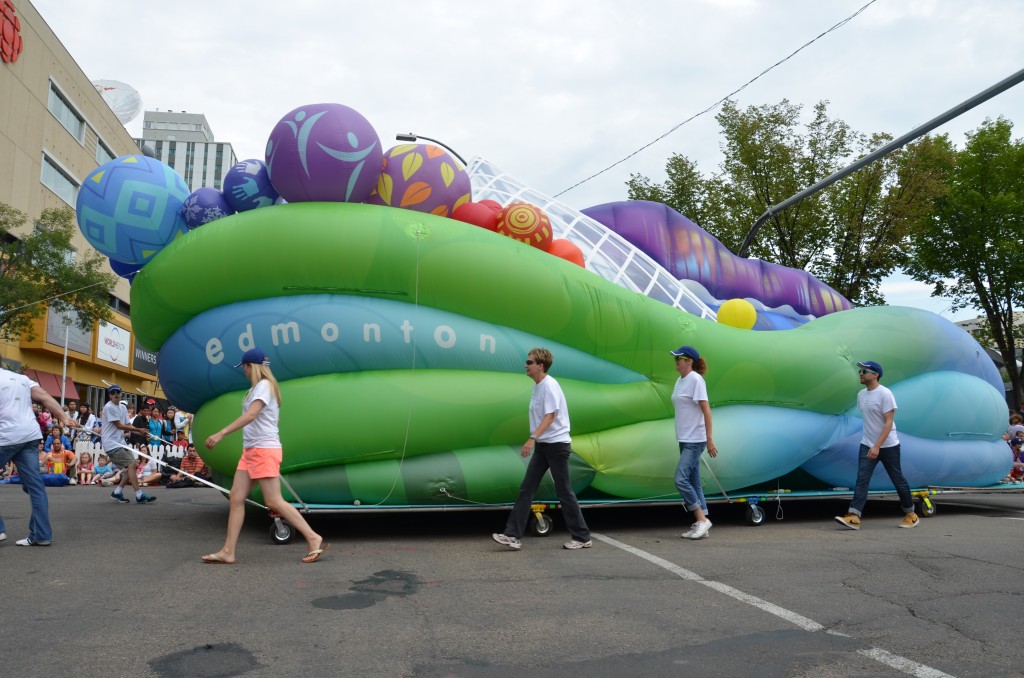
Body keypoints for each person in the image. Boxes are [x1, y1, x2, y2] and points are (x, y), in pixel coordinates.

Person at [202, 347, 327, 564]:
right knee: (236, 497)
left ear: (251, 366)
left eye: (244, 368)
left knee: (274, 501)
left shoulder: (264, 386)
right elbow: (270, 420)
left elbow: (251, 415)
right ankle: (228, 551)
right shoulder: (258, 389)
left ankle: (313, 537)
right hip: (252, 450)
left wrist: (221, 433)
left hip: (262, 451)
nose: (244, 371)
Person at [492, 348, 593, 551]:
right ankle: (512, 535)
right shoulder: (538, 386)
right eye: (527, 362)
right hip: (544, 446)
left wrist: (532, 438)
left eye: (529, 362)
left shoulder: (550, 385)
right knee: (527, 488)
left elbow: (550, 416)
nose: (525, 365)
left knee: (564, 491)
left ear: (540, 365)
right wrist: (536, 440)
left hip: (557, 445)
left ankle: (582, 537)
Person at [0, 366, 79, 546]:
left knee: (34, 486)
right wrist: (64, 418)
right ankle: (41, 535)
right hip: (30, 435)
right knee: (35, 486)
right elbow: (45, 397)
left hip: (5, 436)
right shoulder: (21, 378)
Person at [835, 361, 919, 530]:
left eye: (864, 371)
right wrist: (871, 444)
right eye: (860, 370)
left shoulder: (885, 394)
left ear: (875, 374)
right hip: (867, 443)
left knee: (898, 479)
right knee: (862, 480)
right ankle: (854, 516)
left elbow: (888, 423)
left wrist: (877, 446)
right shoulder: (862, 395)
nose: (860, 373)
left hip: (888, 445)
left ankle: (911, 514)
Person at [669, 345, 719, 540]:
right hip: (683, 438)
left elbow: (706, 410)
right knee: (693, 482)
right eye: (675, 358)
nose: (676, 361)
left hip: (695, 440)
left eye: (678, 358)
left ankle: (701, 519)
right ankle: (702, 522)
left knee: (680, 479)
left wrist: (709, 439)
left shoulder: (696, 380)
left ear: (689, 361)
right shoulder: (680, 380)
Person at [101, 384, 156, 504]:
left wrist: (141, 433)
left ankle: (117, 492)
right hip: (111, 443)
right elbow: (119, 425)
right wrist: (138, 430)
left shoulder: (122, 407)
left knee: (134, 465)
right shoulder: (109, 407)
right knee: (131, 464)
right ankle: (139, 494)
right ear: (110, 396)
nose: (116, 394)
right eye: (113, 393)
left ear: (121, 394)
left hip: (120, 442)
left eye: (118, 392)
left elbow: (127, 424)